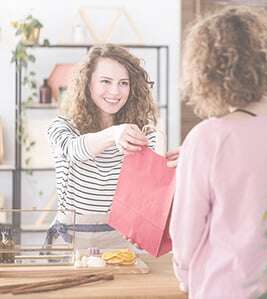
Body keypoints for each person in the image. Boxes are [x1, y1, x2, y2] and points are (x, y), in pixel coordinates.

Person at [169, 6, 267, 299]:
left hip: (229, 288)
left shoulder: (205, 139)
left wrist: (184, 275)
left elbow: (185, 240)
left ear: (206, 72)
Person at [47, 44, 177, 249]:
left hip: (122, 242)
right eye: (105, 81)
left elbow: (148, 193)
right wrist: (114, 134)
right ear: (87, 84)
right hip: (71, 242)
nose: (115, 91)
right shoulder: (62, 127)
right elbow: (74, 151)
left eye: (123, 83)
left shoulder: (142, 134)